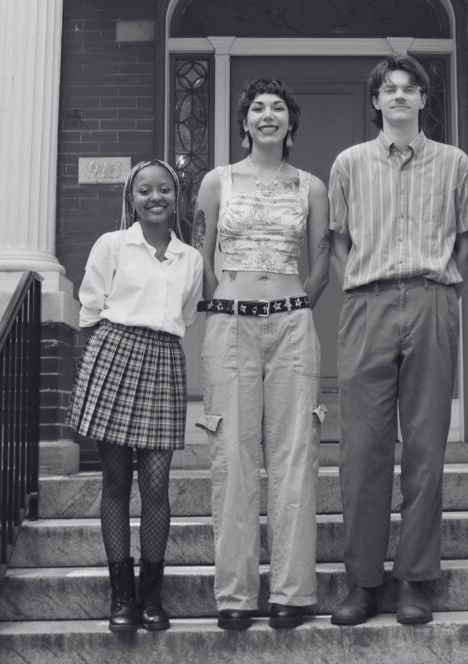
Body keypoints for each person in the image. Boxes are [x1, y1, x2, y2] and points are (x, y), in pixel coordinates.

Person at [327, 54, 468, 626]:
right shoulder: (349, 163)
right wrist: (354, 287)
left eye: (408, 88)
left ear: (422, 99)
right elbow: (338, 240)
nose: (398, 95)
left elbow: (466, 239)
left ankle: (415, 578)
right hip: (366, 303)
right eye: (388, 89)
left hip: (431, 298)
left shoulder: (454, 162)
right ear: (376, 101)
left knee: (425, 447)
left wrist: (448, 293)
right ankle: (363, 582)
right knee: (361, 450)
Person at [193, 78, 330, 631]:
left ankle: (293, 592)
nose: (267, 114)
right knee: (232, 454)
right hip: (230, 326)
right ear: (245, 122)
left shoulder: (311, 186)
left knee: (295, 454)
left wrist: (295, 305)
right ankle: (235, 594)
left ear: (290, 123)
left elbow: (321, 261)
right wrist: (224, 303)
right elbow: (201, 255)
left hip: (292, 324)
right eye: (257, 108)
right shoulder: (216, 181)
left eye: (277, 107)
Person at [69, 159, 204, 632]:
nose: (155, 198)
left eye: (164, 189)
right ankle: (121, 596)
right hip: (114, 352)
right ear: (132, 198)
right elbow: (90, 307)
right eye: (144, 190)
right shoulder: (112, 244)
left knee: (156, 486)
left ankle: (151, 595)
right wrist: (99, 368)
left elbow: (187, 311)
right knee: (115, 481)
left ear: (176, 197)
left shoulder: (190, 259)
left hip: (164, 359)